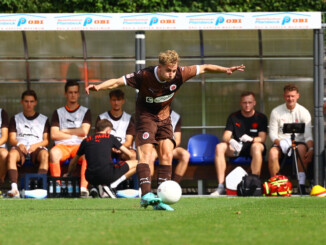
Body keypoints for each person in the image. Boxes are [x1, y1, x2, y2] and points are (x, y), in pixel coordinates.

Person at [86, 49, 245, 210]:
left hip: (164, 118)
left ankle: (161, 197)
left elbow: (204, 67)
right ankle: (146, 195)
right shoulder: (144, 75)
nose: (171, 74)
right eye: (168, 70)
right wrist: (98, 87)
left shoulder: (180, 74)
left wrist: (225, 70)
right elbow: (116, 82)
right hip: (146, 117)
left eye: (174, 70)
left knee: (167, 153)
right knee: (147, 154)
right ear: (160, 67)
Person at [211, 91, 267, 196]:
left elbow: (262, 138)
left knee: (257, 147)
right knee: (220, 147)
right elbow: (226, 136)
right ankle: (221, 186)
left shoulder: (261, 117)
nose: (247, 105)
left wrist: (251, 139)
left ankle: (254, 184)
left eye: (249, 102)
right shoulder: (234, 117)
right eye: (244, 102)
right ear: (240, 103)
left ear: (254, 103)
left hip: (252, 147)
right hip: (238, 147)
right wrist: (231, 141)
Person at [64, 119, 137, 198]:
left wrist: (68, 173)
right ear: (108, 130)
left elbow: (73, 162)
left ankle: (96, 187)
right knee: (137, 163)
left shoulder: (86, 141)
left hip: (90, 177)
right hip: (107, 175)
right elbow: (129, 154)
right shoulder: (110, 137)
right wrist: (128, 173)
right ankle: (112, 185)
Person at [268, 83, 313, 193]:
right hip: (281, 142)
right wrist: (280, 142)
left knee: (302, 149)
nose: (290, 99)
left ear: (298, 96)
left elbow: (308, 136)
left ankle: (301, 185)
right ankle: (277, 185)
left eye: (292, 96)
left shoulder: (304, 112)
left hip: (299, 142)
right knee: (273, 153)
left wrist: (311, 149)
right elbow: (272, 133)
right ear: (284, 96)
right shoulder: (276, 111)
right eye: (288, 96)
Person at [49, 80, 91, 197]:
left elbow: (84, 131)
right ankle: (57, 186)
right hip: (62, 146)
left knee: (88, 154)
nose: (73, 95)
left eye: (75, 92)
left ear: (78, 94)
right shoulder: (58, 112)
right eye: (70, 92)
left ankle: (83, 188)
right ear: (65, 94)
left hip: (79, 146)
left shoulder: (85, 111)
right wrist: (75, 133)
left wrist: (65, 131)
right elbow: (54, 134)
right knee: (53, 153)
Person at [7, 90, 50, 198]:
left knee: (45, 154)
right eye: (26, 101)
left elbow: (46, 140)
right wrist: (20, 144)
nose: (29, 104)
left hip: (36, 147)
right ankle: (14, 188)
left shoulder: (43, 119)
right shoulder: (15, 118)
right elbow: (11, 139)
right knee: (11, 154)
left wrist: (36, 145)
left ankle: (39, 187)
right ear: (22, 102)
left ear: (35, 102)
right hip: (20, 147)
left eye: (31, 101)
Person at [149, 110, 189, 184]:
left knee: (185, 155)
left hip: (171, 147)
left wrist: (168, 148)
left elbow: (177, 139)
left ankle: (173, 185)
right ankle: (148, 187)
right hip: (154, 147)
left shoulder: (175, 116)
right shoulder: (149, 114)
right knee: (150, 156)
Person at [96, 89, 137, 161]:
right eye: (114, 100)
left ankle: (126, 172)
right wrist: (111, 148)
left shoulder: (129, 118)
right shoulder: (101, 117)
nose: (116, 102)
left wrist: (119, 147)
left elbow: (128, 142)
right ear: (110, 101)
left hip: (123, 148)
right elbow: (98, 138)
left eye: (119, 100)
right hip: (106, 148)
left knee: (133, 155)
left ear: (123, 101)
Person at [0, 108, 9, 195]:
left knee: (4, 154)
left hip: (0, 146)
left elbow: (4, 137)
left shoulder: (2, 113)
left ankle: (1, 182)